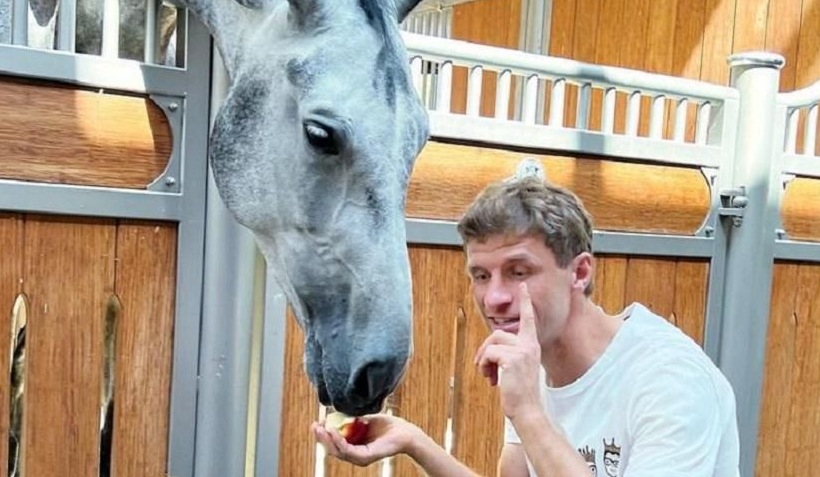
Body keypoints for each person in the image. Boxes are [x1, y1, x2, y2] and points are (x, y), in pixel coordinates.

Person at [312, 175, 740, 477]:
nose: (494, 297)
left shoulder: (670, 381)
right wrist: (414, 442)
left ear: (580, 272)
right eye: (481, 275)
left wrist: (529, 411)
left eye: (518, 272)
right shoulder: (532, 361)